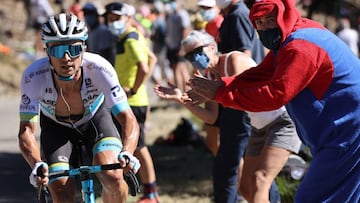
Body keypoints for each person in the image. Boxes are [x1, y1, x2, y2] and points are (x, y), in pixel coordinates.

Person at [187, 0, 360, 202]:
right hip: (341, 129)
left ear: (284, 13)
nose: (265, 28)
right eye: (259, 23)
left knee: (311, 198)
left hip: (348, 131)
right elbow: (262, 73)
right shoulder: (292, 36)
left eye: (270, 20)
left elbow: (275, 94)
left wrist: (221, 94)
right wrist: (223, 86)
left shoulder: (299, 47)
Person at [155, 30, 302, 203]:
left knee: (259, 180)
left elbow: (240, 94)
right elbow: (211, 117)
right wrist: (181, 98)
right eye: (189, 57)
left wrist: (213, 94)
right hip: (259, 128)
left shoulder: (234, 60)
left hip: (280, 122)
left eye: (197, 52)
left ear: (212, 47)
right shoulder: (209, 76)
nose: (194, 59)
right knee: (245, 188)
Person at [18, 13, 140, 203]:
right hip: (56, 128)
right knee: (61, 191)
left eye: (73, 49)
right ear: (47, 51)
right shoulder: (33, 76)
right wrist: (37, 164)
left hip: (95, 119)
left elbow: (127, 117)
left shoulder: (100, 69)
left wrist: (127, 151)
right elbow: (26, 129)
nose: (66, 58)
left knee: (114, 177)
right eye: (57, 50)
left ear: (84, 48)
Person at [104, 2, 160, 203]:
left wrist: (134, 88)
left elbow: (144, 66)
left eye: (116, 18)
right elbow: (152, 58)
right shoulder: (129, 37)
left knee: (139, 147)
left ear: (128, 17)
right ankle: (148, 191)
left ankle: (151, 192)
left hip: (132, 102)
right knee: (135, 147)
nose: (112, 22)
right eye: (109, 19)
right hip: (131, 99)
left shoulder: (130, 40)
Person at [164, 0, 192, 91]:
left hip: (178, 47)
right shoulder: (171, 15)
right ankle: (179, 91)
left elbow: (186, 30)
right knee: (176, 69)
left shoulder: (182, 15)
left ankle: (187, 92)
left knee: (182, 69)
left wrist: (182, 47)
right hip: (171, 46)